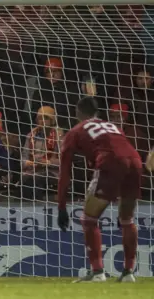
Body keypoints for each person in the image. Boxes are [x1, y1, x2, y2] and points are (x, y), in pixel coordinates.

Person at [57, 96, 140, 283]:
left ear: (77, 112)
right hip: (135, 161)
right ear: (97, 113)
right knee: (127, 219)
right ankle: (128, 273)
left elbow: (64, 173)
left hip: (110, 162)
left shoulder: (75, 131)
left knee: (89, 218)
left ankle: (97, 272)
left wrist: (61, 206)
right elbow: (123, 149)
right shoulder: (113, 127)